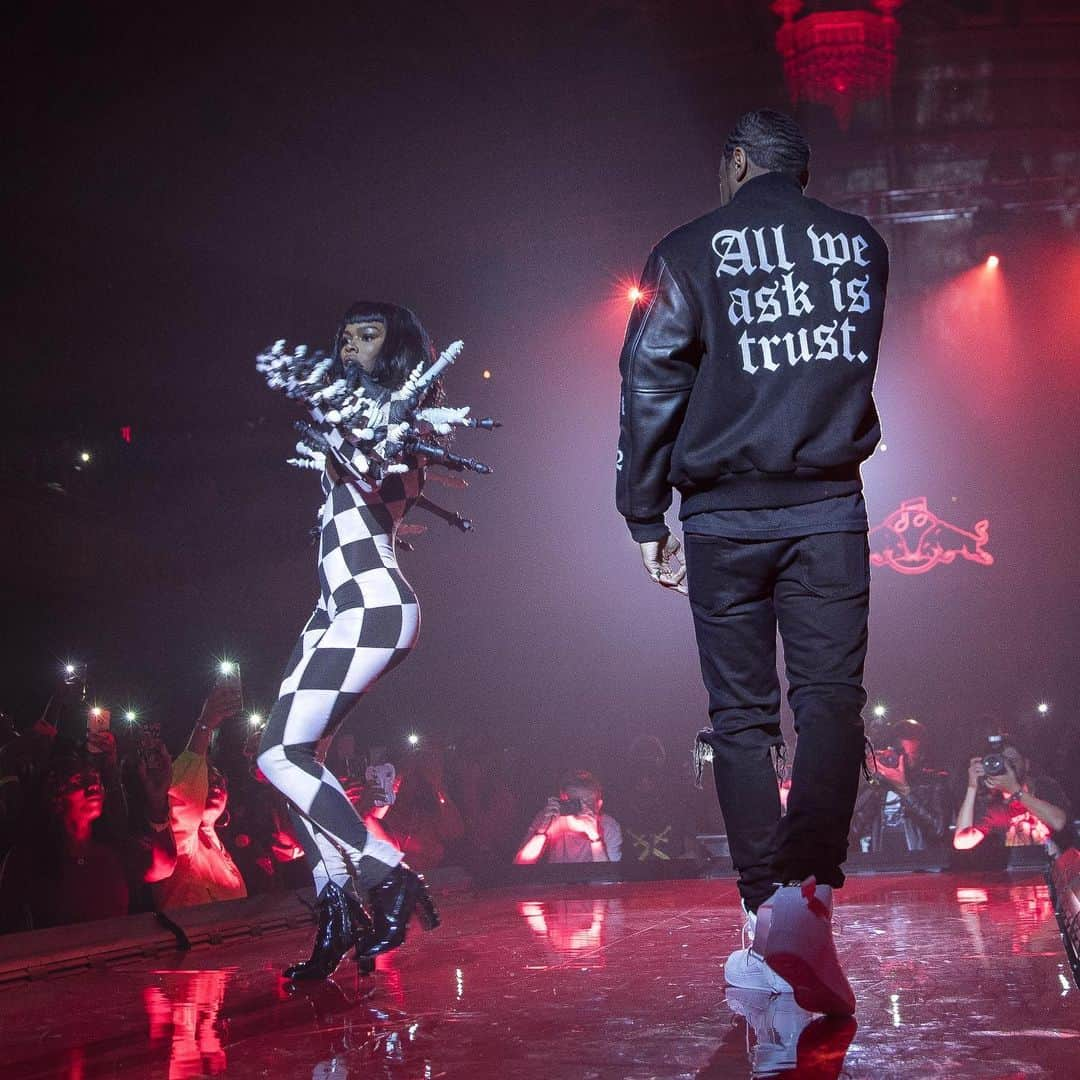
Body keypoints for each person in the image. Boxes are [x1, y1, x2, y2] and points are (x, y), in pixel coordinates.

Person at [616, 109, 889, 1016]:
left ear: (736, 163)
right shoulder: (861, 246)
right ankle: (808, 895)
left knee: (741, 716)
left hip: (724, 520)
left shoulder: (689, 249)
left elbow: (653, 379)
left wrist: (642, 511)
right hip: (827, 509)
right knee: (829, 701)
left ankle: (765, 905)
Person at [255, 302, 453, 981]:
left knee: (283, 755)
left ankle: (390, 874)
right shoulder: (362, 420)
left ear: (397, 351)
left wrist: (348, 421)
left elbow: (378, 469)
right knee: (283, 762)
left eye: (366, 336)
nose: (347, 346)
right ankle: (337, 905)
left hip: (372, 609)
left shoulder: (397, 423)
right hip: (333, 611)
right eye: (343, 335)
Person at [0, 746, 176, 931]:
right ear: (55, 796)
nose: (92, 785)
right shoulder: (27, 860)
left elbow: (163, 867)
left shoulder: (115, 850)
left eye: (95, 778)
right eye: (78, 781)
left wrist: (157, 802)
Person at [153, 683, 248, 910]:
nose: (214, 784)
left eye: (218, 779)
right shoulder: (181, 843)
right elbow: (182, 804)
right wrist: (205, 725)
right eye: (205, 778)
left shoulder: (219, 845)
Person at [851, 718, 950, 857]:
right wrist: (873, 782)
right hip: (877, 865)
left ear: (921, 756)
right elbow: (852, 832)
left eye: (910, 756)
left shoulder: (934, 783)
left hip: (922, 865)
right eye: (900, 754)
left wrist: (905, 791)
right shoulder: (876, 784)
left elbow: (939, 830)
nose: (903, 761)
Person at [954, 742, 1073, 856]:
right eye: (1002, 761)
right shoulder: (994, 803)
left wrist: (1015, 790)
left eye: (1012, 760)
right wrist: (972, 786)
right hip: (1018, 871)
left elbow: (1058, 821)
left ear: (1026, 764)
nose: (1007, 766)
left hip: (1060, 869)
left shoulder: (1044, 786)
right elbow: (961, 843)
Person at [514, 771, 622, 865]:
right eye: (575, 802)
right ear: (563, 800)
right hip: (555, 885)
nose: (582, 809)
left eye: (588, 803)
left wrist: (595, 838)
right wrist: (542, 832)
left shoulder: (609, 827)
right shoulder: (548, 818)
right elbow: (521, 865)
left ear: (598, 805)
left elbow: (608, 880)